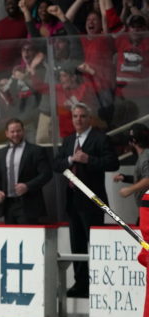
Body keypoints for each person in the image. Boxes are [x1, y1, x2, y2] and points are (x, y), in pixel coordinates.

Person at [53, 103, 120, 298]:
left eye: (82, 116)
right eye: (75, 116)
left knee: (96, 245)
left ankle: (99, 283)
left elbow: (112, 163)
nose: (78, 120)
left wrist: (88, 159)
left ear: (89, 119)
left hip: (92, 200)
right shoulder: (68, 141)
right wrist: (71, 160)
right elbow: (57, 165)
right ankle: (81, 284)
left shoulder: (100, 138)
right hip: (73, 200)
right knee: (77, 245)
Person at [0, 118, 52, 224]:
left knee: (28, 239)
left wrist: (27, 186)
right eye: (12, 132)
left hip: (28, 205)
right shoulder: (1, 153)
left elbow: (46, 174)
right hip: (8, 205)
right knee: (10, 238)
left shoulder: (35, 151)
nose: (16, 134)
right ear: (6, 133)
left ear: (23, 131)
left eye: (18, 131)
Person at [113, 123, 149, 221]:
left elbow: (147, 180)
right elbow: (143, 179)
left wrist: (129, 190)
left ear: (133, 141)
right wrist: (125, 178)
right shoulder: (144, 156)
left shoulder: (145, 157)